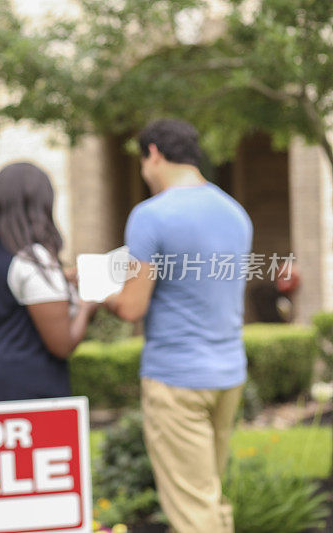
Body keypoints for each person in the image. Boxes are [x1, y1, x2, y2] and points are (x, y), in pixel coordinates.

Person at [104, 119, 252, 533]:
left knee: (192, 512)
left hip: (177, 380)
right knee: (209, 496)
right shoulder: (235, 212)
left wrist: (103, 294)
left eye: (142, 162)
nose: (143, 172)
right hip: (228, 374)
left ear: (153, 153)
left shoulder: (151, 216)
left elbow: (133, 307)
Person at [0, 162, 97, 404]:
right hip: (22, 397)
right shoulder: (34, 259)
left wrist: (60, 280)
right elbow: (62, 344)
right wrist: (86, 306)